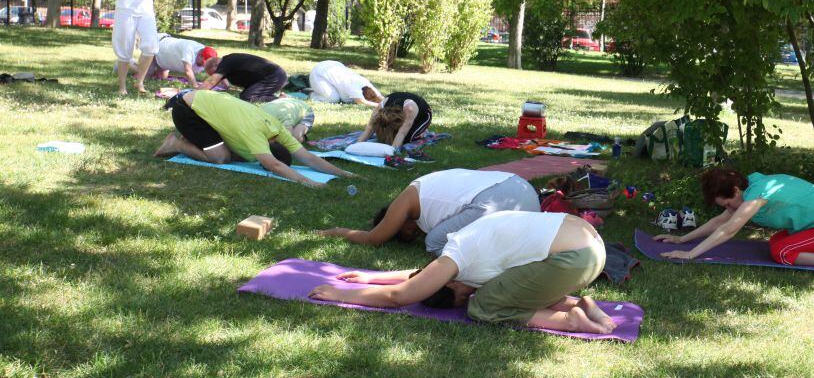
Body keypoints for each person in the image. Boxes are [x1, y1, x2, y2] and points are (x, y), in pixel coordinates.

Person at [309, 211, 616, 334]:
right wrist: (371, 277)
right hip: (589, 244)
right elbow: (422, 275)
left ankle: (569, 321)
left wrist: (340, 294)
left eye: (459, 295)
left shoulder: (457, 258)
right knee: (510, 288)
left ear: (450, 281)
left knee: (484, 306)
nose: (468, 293)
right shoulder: (457, 255)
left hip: (575, 258)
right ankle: (581, 304)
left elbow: (399, 296)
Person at [655, 168, 814, 269]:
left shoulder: (757, 196)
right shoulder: (750, 188)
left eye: (728, 204)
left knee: (782, 253)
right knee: (776, 242)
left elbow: (729, 229)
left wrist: (691, 254)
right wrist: (682, 240)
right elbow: (720, 222)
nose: (729, 209)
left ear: (735, 190)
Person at [153, 89, 353, 188]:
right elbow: (275, 166)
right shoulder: (256, 135)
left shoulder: (278, 130)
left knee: (236, 155)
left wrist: (346, 174)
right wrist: (311, 183)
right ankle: (175, 143)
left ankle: (192, 140)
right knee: (221, 158)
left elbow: (308, 157)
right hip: (186, 109)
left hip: (201, 100)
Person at [318, 168, 540, 255]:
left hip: (498, 201)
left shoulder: (403, 202)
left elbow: (372, 239)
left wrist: (337, 231)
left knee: (434, 242)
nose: (415, 232)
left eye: (406, 232)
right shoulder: (426, 186)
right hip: (523, 190)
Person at [353, 91, 432, 150]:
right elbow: (370, 128)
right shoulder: (380, 107)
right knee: (384, 137)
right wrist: (356, 145)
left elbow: (402, 133)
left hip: (424, 115)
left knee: (407, 139)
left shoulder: (409, 109)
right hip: (403, 108)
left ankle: (422, 131)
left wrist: (392, 151)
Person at [201, 52, 287, 103]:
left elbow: (212, 81)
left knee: (248, 97)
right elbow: (217, 81)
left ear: (216, 65)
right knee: (244, 95)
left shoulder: (226, 62)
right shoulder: (227, 66)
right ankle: (274, 97)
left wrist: (197, 93)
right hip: (272, 76)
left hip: (275, 76)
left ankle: (281, 100)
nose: (214, 75)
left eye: (213, 73)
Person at [308, 60, 383, 107]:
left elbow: (380, 96)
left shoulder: (366, 83)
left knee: (338, 94)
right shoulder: (354, 87)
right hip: (318, 74)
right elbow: (362, 102)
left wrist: (385, 102)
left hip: (333, 66)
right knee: (333, 99)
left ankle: (321, 90)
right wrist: (379, 105)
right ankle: (312, 95)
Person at [149, 35, 217, 86]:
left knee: (161, 79)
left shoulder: (205, 52)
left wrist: (224, 85)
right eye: (203, 63)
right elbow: (188, 71)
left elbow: (216, 72)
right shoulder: (189, 49)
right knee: (147, 77)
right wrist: (195, 87)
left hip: (165, 58)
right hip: (155, 45)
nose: (203, 66)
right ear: (200, 55)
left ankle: (156, 71)